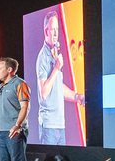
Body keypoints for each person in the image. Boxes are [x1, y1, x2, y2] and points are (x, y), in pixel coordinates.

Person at [35, 10, 85, 146]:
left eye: (57, 29)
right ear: (46, 32)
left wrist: (76, 97)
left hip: (60, 124)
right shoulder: (43, 58)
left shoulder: (55, 54)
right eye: (52, 30)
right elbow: (44, 92)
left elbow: (57, 87)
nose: (56, 33)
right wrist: (57, 68)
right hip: (48, 127)